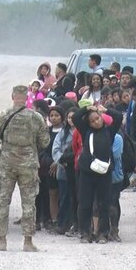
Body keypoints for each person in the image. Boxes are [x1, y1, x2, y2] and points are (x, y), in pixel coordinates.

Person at [0, 85, 49, 252]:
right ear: (26, 98)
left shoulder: (2, 115)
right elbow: (45, 141)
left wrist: (0, 158)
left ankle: (2, 241)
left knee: (2, 202)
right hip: (28, 164)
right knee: (29, 203)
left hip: (7, 163)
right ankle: (28, 242)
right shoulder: (36, 117)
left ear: (12, 96)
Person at [73, 104, 123, 244]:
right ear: (89, 123)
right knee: (85, 203)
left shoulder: (109, 131)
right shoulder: (86, 131)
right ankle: (85, 233)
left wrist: (106, 109)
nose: (97, 121)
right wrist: (87, 108)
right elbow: (77, 117)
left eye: (98, 118)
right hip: (87, 172)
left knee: (104, 204)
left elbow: (118, 117)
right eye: (93, 120)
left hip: (104, 173)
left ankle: (103, 233)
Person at [52, 108, 77, 235]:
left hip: (77, 170)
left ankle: (75, 224)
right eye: (69, 117)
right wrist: (62, 160)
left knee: (76, 198)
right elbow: (55, 149)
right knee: (64, 198)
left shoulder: (82, 132)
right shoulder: (63, 133)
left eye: (73, 117)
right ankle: (62, 224)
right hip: (64, 170)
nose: (71, 120)